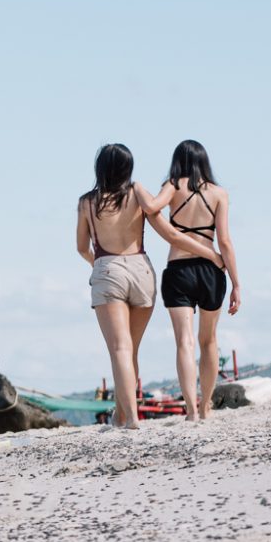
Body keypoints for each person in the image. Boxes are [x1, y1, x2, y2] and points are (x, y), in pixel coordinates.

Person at [148, 140, 240, 420]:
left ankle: (190, 409)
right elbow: (224, 240)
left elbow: (153, 209)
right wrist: (237, 283)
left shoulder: (172, 185)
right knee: (209, 341)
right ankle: (206, 405)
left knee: (184, 342)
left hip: (178, 270)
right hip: (211, 272)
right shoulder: (219, 193)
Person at [75, 144, 162, 428]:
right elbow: (156, 210)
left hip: (108, 266)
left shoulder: (88, 202)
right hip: (141, 268)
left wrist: (97, 266)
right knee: (130, 349)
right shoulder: (137, 193)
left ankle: (132, 418)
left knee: (120, 349)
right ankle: (122, 414)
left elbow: (81, 247)